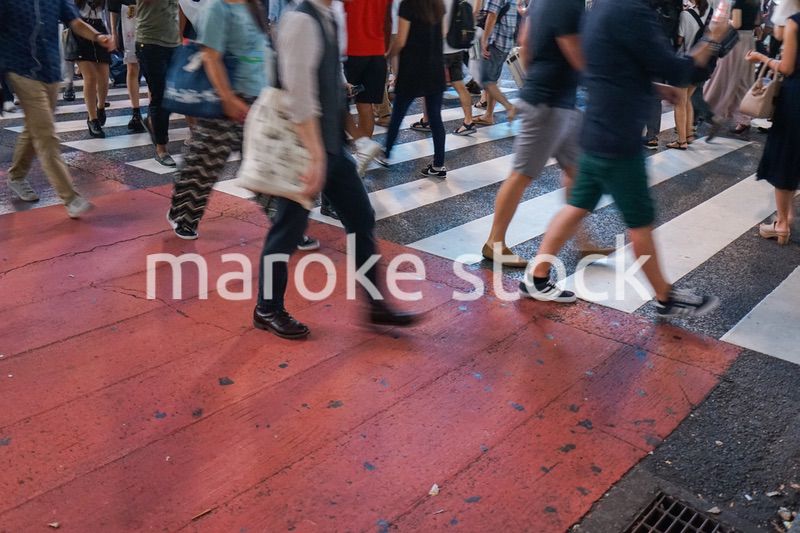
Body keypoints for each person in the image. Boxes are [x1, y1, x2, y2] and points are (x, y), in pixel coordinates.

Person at [525, 0, 725, 318]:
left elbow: (610, 66)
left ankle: (536, 277)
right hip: (619, 139)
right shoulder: (633, 12)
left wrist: (652, 87)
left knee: (577, 205)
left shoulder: (601, 8)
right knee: (639, 219)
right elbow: (680, 70)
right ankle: (665, 297)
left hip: (596, 129)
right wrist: (713, 37)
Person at [255, 0, 418, 339]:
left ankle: (375, 303)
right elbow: (298, 99)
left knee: (361, 218)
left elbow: (331, 87)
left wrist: (351, 137)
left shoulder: (328, 15)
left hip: (331, 146)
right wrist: (316, 155)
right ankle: (267, 308)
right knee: (287, 228)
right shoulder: (300, 20)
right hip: (306, 149)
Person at [483, 0, 611, 267]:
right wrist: (607, 82)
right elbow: (575, 53)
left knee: (576, 171)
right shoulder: (568, 4)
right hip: (548, 104)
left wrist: (537, 79)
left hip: (556, 100)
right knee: (522, 174)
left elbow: (525, 44)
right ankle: (495, 242)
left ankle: (584, 241)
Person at [0, 0, 114, 217]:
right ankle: (70, 198)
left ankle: (16, 176)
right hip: (20, 70)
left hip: (50, 71)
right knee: (46, 134)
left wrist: (98, 37)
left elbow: (75, 22)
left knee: (35, 127)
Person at [168, 0, 268, 239]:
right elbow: (210, 56)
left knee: (265, 164)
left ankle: (289, 225)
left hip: (256, 98)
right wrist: (227, 98)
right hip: (227, 99)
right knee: (204, 162)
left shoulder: (252, 6)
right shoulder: (217, 7)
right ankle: (183, 214)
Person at [746, 13, 799, 245]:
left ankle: (782, 224)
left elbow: (786, 67)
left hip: (795, 99)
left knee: (786, 157)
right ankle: (788, 216)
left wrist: (761, 57)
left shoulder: (795, 21)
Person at [380, 0, 447, 177]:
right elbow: (443, 33)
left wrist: (388, 55)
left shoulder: (409, 4)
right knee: (435, 118)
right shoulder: (438, 4)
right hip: (435, 66)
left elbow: (401, 40)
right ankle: (439, 165)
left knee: (398, 113)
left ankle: (386, 154)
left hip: (413, 68)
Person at [342, 0, 390, 176]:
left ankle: (361, 147)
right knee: (365, 105)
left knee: (338, 104)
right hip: (377, 51)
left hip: (351, 51)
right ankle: (363, 156)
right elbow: (388, 20)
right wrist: (385, 50)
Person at [704, 0, 760, 134]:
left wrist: (725, 21)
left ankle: (715, 111)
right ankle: (743, 119)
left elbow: (736, 24)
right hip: (749, 40)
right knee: (743, 81)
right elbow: (757, 21)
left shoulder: (739, 2)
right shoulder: (756, 2)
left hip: (735, 41)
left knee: (724, 76)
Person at [136, 0, 181, 167]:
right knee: (160, 96)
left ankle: (152, 122)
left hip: (173, 42)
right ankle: (161, 149)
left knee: (174, 95)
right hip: (150, 42)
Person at [668, 0, 711, 149]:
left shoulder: (685, 15)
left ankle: (681, 141)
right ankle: (689, 135)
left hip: (685, 63)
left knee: (680, 102)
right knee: (687, 100)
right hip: (702, 65)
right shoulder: (709, 12)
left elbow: (680, 39)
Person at [67, 0, 113, 138]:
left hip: (100, 29)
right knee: (90, 77)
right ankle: (92, 119)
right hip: (79, 29)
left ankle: (101, 107)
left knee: (104, 76)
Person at [472, 0, 517, 126]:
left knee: (485, 80)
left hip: (496, 42)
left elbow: (492, 15)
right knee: (492, 80)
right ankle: (488, 115)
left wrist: (484, 40)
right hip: (505, 42)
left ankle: (509, 106)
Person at [109, 0, 146, 133]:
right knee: (132, 67)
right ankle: (136, 111)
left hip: (152, 22)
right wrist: (114, 33)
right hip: (128, 22)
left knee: (151, 70)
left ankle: (154, 113)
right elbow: (113, 7)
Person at [445, 0, 479, 135]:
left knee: (431, 89)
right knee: (459, 85)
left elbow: (442, 29)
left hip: (443, 49)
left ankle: (427, 120)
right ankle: (468, 121)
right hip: (457, 46)